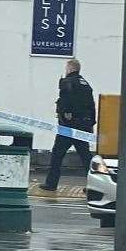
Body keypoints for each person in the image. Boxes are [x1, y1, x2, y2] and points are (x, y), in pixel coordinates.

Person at [41, 59, 95, 191]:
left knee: (57, 156)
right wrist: (91, 123)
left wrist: (65, 114)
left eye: (66, 68)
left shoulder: (67, 82)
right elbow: (91, 106)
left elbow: (65, 101)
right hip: (83, 126)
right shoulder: (86, 84)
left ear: (70, 69)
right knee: (86, 157)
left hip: (68, 127)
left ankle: (51, 183)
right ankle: (93, 185)